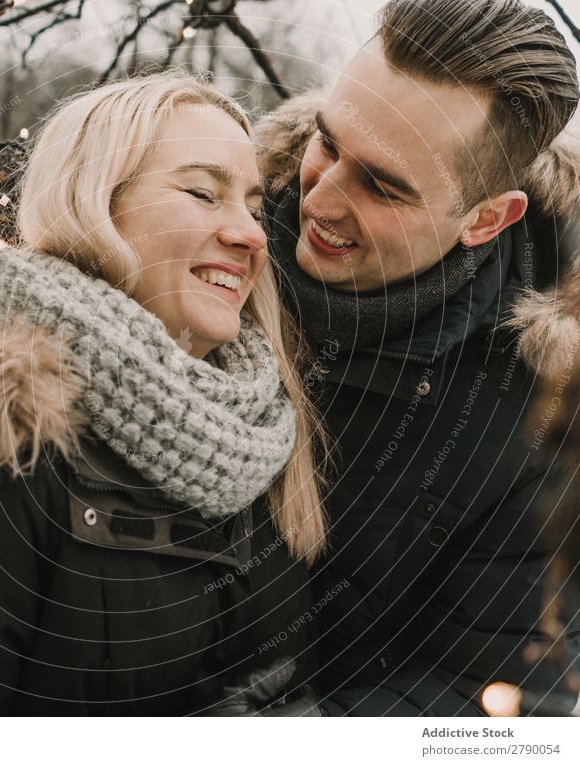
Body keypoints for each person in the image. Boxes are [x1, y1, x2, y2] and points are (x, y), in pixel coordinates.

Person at [0, 74, 327, 716]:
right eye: (204, 193)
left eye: (254, 209)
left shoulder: (270, 448)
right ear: (93, 206)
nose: (252, 236)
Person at [252, 0, 580, 715]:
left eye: (382, 185)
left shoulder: (540, 421)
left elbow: (494, 692)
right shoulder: (185, 252)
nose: (323, 199)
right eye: (326, 143)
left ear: (487, 219)